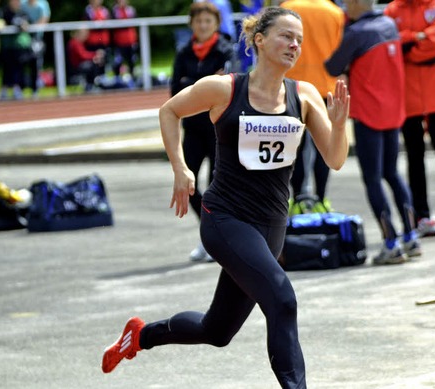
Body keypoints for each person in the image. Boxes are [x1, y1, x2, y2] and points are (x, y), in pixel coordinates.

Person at [101, 7, 350, 388]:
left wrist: (338, 124)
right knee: (282, 299)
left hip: (272, 225)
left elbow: (334, 159)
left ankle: (139, 336)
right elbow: (169, 111)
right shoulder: (225, 88)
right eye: (286, 36)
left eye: (298, 39)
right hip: (225, 218)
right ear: (259, 40)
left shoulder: (305, 95)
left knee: (216, 330)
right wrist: (180, 168)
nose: (294, 44)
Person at [325, 0, 421, 264]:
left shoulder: (357, 33)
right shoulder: (388, 24)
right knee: (392, 173)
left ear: (356, 4)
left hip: (369, 112)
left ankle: (390, 241)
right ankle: (411, 235)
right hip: (393, 110)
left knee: (373, 178)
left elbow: (332, 66)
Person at [384, 0, 435, 240]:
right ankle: (422, 217)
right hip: (408, 95)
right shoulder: (392, 10)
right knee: (414, 157)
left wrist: (408, 42)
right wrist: (417, 37)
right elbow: (392, 46)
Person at [169, 1, 234, 262]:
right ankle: (208, 235)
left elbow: (225, 85)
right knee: (189, 183)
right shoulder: (184, 52)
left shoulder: (226, 49)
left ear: (217, 24)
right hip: (193, 128)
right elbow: (175, 90)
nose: (203, 25)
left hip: (218, 128)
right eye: (199, 21)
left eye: (208, 21)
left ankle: (217, 240)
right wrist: (205, 85)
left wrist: (192, 86)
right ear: (192, 24)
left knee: (215, 186)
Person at [281, 0, 344, 214]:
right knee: (323, 148)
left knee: (294, 148)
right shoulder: (335, 12)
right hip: (325, 87)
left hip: (293, 87)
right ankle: (320, 199)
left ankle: (298, 199)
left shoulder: (288, 8)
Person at [0, 0, 31, 100]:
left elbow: (27, 24)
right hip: (7, 46)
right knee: (7, 68)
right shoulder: (4, 12)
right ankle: (4, 90)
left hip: (18, 46)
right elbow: (3, 23)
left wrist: (23, 25)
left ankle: (17, 89)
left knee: (18, 69)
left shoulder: (22, 13)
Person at [20, 0, 46, 98]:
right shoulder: (22, 4)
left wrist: (30, 27)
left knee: (36, 64)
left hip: (37, 39)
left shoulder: (43, 4)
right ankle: (21, 88)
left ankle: (35, 89)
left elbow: (44, 20)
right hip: (23, 40)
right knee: (22, 64)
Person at [111, 0, 137, 81]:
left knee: (131, 61)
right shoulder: (115, 11)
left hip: (131, 41)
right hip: (119, 42)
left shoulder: (131, 10)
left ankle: (133, 79)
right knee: (118, 61)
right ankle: (117, 79)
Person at [83, 0, 110, 75]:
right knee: (94, 61)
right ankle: (94, 79)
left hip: (103, 40)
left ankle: (103, 78)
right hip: (92, 41)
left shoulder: (104, 10)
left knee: (103, 61)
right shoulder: (88, 10)